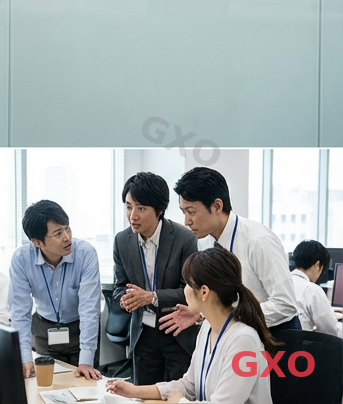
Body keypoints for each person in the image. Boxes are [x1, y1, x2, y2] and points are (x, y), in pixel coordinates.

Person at [105, 247, 275, 404]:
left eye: (187, 284)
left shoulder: (244, 341)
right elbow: (189, 385)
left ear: (204, 292)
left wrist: (179, 402)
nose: (184, 290)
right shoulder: (207, 327)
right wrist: (135, 391)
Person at [171, 167, 299, 336]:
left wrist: (230, 316)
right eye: (184, 212)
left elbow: (285, 304)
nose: (186, 221)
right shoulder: (206, 243)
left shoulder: (258, 240)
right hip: (237, 335)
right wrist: (201, 314)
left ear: (217, 206)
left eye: (191, 212)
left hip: (275, 337)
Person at [111, 171, 199, 385]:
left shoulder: (183, 238)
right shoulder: (122, 241)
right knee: (143, 394)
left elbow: (191, 291)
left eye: (141, 208)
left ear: (159, 210)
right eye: (128, 206)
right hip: (143, 335)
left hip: (177, 332)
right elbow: (119, 288)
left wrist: (151, 297)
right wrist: (127, 299)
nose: (133, 215)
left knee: (177, 395)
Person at [8, 200, 103, 381]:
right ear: (37, 242)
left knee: (84, 386)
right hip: (44, 330)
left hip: (80, 330)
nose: (67, 237)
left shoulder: (85, 254)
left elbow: (89, 309)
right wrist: (24, 357)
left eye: (67, 229)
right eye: (58, 233)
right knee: (48, 386)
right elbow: (19, 312)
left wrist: (86, 360)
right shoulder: (21, 260)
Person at [289, 240, 341, 337]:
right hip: (303, 347)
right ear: (318, 265)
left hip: (280, 346)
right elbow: (332, 330)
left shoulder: (282, 283)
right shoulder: (311, 289)